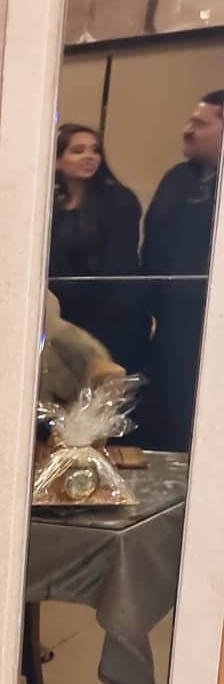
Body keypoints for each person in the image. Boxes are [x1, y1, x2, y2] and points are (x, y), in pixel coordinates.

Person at [139, 90, 224, 451]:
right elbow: (153, 244)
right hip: (172, 324)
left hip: (215, 324)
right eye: (190, 121)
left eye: (200, 123)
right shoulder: (177, 178)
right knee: (169, 413)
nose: (187, 130)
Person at [47, 124, 145, 373]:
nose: (89, 156)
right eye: (78, 150)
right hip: (63, 315)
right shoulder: (47, 203)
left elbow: (119, 266)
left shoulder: (119, 200)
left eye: (95, 150)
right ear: (56, 161)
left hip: (112, 314)